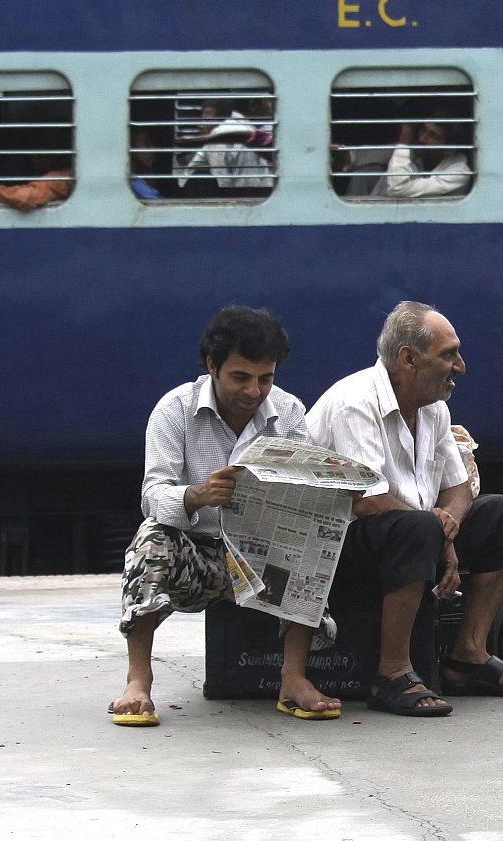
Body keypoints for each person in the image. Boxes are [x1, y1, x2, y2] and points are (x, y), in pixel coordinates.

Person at [307, 302, 503, 716]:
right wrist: (437, 533)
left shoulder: (433, 405)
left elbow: (458, 487)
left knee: (500, 515)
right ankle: (392, 672)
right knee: (417, 526)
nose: (461, 366)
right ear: (408, 359)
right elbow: (367, 499)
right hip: (341, 554)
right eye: (449, 355)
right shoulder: (355, 403)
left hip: (415, 540)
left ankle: (468, 654)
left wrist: (446, 529)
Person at [110, 305, 339, 726]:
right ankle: (138, 679)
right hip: (199, 559)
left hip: (261, 561)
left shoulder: (288, 412)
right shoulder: (174, 410)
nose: (254, 391)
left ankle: (293, 678)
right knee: (151, 538)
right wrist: (196, 496)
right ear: (212, 367)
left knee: (313, 538)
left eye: (265, 378)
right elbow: (152, 495)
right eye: (240, 377)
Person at [379, 120, 473, 198]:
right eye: (423, 130)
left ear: (449, 150)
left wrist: (404, 141)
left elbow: (397, 189)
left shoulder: (458, 173)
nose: (422, 139)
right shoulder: (417, 158)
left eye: (433, 136)